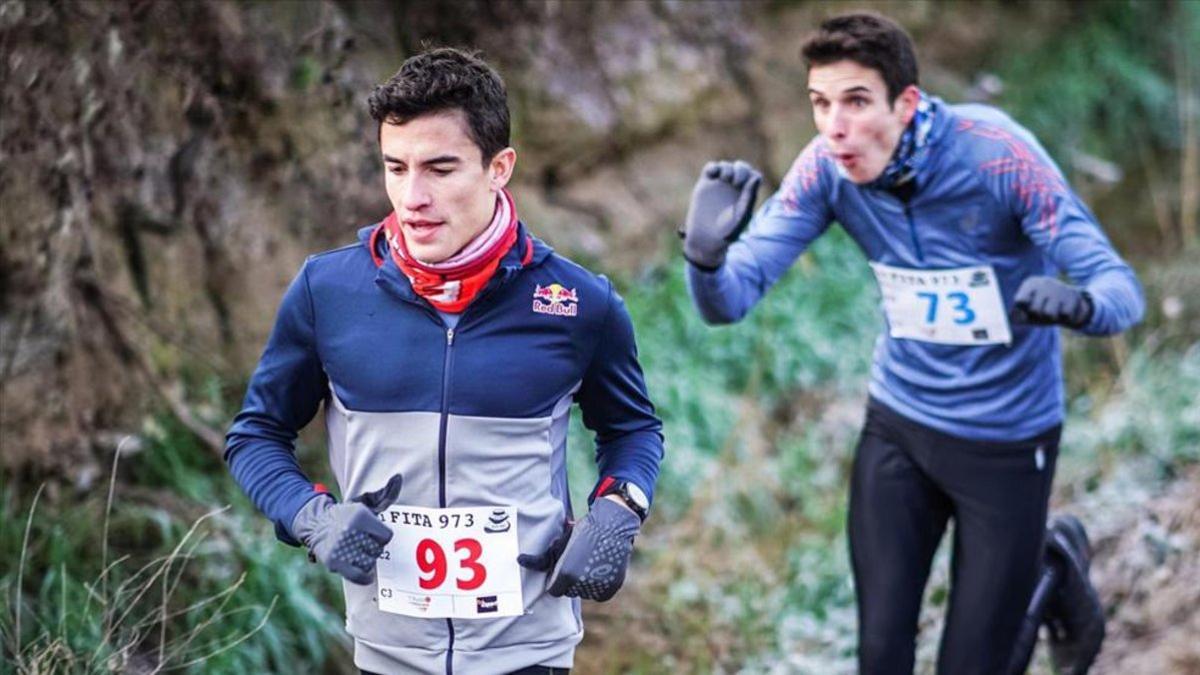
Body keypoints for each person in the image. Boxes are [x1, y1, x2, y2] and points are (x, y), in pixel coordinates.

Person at [680, 12, 1142, 675]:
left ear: (907, 103)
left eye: (856, 101)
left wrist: (1080, 304)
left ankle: (1053, 566)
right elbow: (730, 301)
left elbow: (1119, 287)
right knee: (879, 655)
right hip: (900, 427)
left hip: (1007, 441)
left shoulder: (998, 156)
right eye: (820, 103)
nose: (834, 125)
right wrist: (703, 259)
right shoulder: (826, 170)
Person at [225, 47, 664, 675]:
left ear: (499, 167)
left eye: (439, 168)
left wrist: (621, 509)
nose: (413, 196)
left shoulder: (577, 304)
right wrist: (311, 517)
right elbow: (256, 434)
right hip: (388, 649)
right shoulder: (329, 292)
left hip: (529, 649)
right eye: (395, 168)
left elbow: (633, 429)